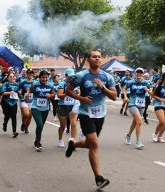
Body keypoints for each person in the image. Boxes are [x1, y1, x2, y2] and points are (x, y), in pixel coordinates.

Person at [65, 50, 117, 190]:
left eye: (99, 57)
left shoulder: (107, 77)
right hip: (85, 112)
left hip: (100, 113)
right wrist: (81, 98)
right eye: (94, 56)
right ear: (88, 60)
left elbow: (114, 96)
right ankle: (99, 178)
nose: (98, 58)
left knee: (90, 144)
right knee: (94, 143)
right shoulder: (80, 76)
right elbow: (68, 90)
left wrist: (102, 87)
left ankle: (74, 145)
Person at [27, 70, 55, 151]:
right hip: (35, 106)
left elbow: (54, 95)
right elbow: (29, 89)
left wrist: (50, 95)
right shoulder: (35, 84)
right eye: (43, 77)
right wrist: (27, 94)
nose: (45, 79)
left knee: (41, 126)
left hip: (45, 108)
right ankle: (38, 142)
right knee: (39, 124)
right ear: (39, 78)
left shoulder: (50, 85)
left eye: (46, 77)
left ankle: (36, 138)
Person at [123, 68, 151, 149]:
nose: (139, 74)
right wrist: (125, 97)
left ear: (142, 74)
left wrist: (147, 90)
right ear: (135, 74)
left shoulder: (146, 82)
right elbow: (124, 89)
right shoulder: (131, 82)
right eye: (137, 73)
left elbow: (151, 92)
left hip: (142, 105)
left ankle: (128, 135)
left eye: (140, 73)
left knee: (135, 122)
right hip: (132, 103)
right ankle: (138, 141)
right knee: (139, 121)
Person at [56, 68, 76, 147]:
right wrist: (68, 94)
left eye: (72, 77)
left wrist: (78, 93)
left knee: (73, 124)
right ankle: (60, 139)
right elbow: (59, 95)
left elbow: (79, 93)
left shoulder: (75, 84)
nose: (71, 78)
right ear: (66, 76)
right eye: (70, 77)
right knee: (63, 126)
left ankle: (73, 141)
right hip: (63, 107)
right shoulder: (62, 84)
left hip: (73, 107)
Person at [0, 72, 19, 138]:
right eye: (10, 76)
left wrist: (19, 93)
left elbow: (18, 92)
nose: (12, 78)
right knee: (7, 116)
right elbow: (2, 92)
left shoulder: (16, 84)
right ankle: (5, 124)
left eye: (13, 76)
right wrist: (10, 92)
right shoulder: (5, 84)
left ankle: (14, 132)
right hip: (6, 102)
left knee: (13, 116)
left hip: (14, 102)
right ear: (8, 78)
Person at [18, 69, 35, 134]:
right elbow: (18, 89)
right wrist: (19, 94)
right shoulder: (23, 82)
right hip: (24, 100)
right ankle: (23, 123)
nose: (30, 74)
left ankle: (26, 128)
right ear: (26, 74)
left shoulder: (35, 82)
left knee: (30, 116)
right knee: (26, 114)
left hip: (32, 101)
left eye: (31, 73)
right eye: (29, 73)